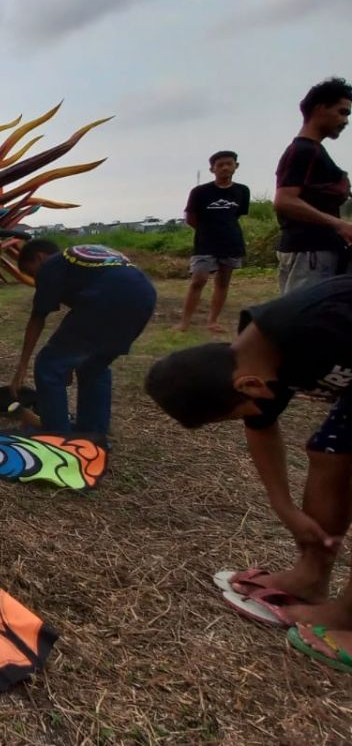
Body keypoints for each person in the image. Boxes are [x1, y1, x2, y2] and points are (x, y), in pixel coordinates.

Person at [145, 276, 352, 673]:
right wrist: (285, 508)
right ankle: (312, 576)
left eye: (244, 409)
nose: (255, 415)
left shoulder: (325, 324)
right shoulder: (258, 355)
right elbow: (262, 427)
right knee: (329, 452)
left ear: (251, 385)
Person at [9, 240, 156, 434]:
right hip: (144, 296)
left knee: (48, 365)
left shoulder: (51, 264)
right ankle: (92, 435)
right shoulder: (79, 264)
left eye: (31, 273)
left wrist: (21, 367)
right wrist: (69, 358)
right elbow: (81, 322)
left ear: (39, 258)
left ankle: (56, 436)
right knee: (93, 365)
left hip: (108, 298)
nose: (36, 281)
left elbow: (37, 318)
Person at [273, 77, 352, 293]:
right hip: (309, 254)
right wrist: (339, 224)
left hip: (320, 252)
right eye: (342, 112)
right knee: (303, 322)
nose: (346, 121)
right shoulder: (304, 151)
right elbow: (285, 201)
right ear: (319, 108)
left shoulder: (315, 151)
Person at [176, 150, 251, 333]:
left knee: (223, 282)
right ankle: (184, 322)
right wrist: (206, 231)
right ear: (212, 169)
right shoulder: (200, 192)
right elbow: (191, 218)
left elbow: (238, 214)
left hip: (231, 241)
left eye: (229, 163)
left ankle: (213, 321)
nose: (225, 167)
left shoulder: (242, 191)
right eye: (220, 165)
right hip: (205, 242)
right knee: (198, 280)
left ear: (236, 166)